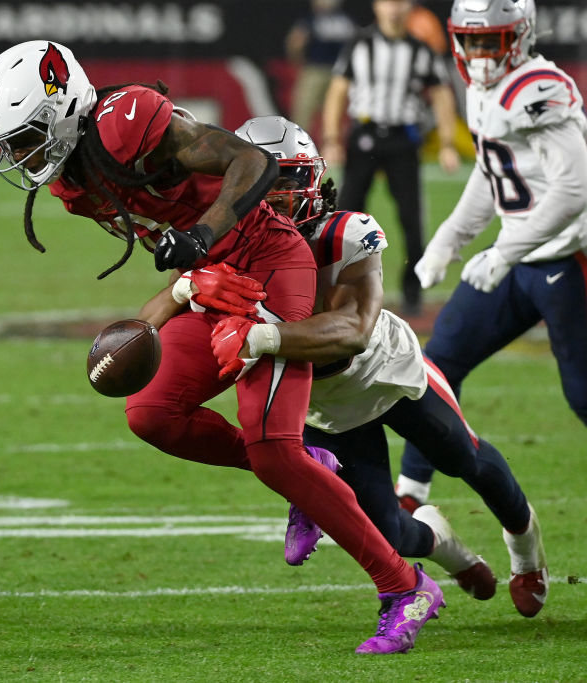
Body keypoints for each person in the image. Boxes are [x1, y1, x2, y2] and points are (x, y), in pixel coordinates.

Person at [0, 40, 443, 655]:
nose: (18, 155)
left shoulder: (127, 122)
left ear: (63, 106)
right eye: (10, 144)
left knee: (273, 444)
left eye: (25, 136)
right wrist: (194, 277)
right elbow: (163, 237)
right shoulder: (74, 184)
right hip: (218, 280)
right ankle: (310, 474)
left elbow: (252, 164)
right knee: (151, 412)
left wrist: (201, 239)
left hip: (272, 264)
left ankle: (403, 586)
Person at [217, 115, 546, 618]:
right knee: (388, 530)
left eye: (283, 180)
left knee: (464, 458)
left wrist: (259, 337)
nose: (271, 196)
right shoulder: (227, 248)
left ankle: (528, 556)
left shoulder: (345, 232)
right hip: (325, 405)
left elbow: (352, 329)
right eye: (258, 181)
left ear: (311, 180)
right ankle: (452, 550)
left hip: (386, 371)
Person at [396, 0, 581, 614]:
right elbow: (491, 171)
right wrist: (448, 240)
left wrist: (509, 248)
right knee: (433, 367)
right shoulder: (485, 93)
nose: (478, 56)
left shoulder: (541, 88)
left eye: (492, 41)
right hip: (512, 259)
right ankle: (411, 491)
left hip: (567, 262)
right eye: (470, 42)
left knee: (583, 396)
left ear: (520, 36)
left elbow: (576, 187)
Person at [322, 0, 460, 316]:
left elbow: (441, 93)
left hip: (403, 140)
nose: (394, 9)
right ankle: (336, 288)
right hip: (364, 137)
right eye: (388, 2)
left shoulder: (420, 49)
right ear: (376, 6)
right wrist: (331, 138)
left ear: (409, 7)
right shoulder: (359, 44)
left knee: (412, 220)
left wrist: (448, 143)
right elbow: (337, 91)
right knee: (345, 217)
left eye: (399, 2)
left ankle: (412, 293)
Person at [284, 0, 356, 136]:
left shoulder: (345, 19)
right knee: (304, 112)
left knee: (333, 115)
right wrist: (299, 62)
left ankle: (329, 148)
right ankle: (297, 149)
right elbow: (295, 42)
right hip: (315, 69)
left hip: (338, 73)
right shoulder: (310, 18)